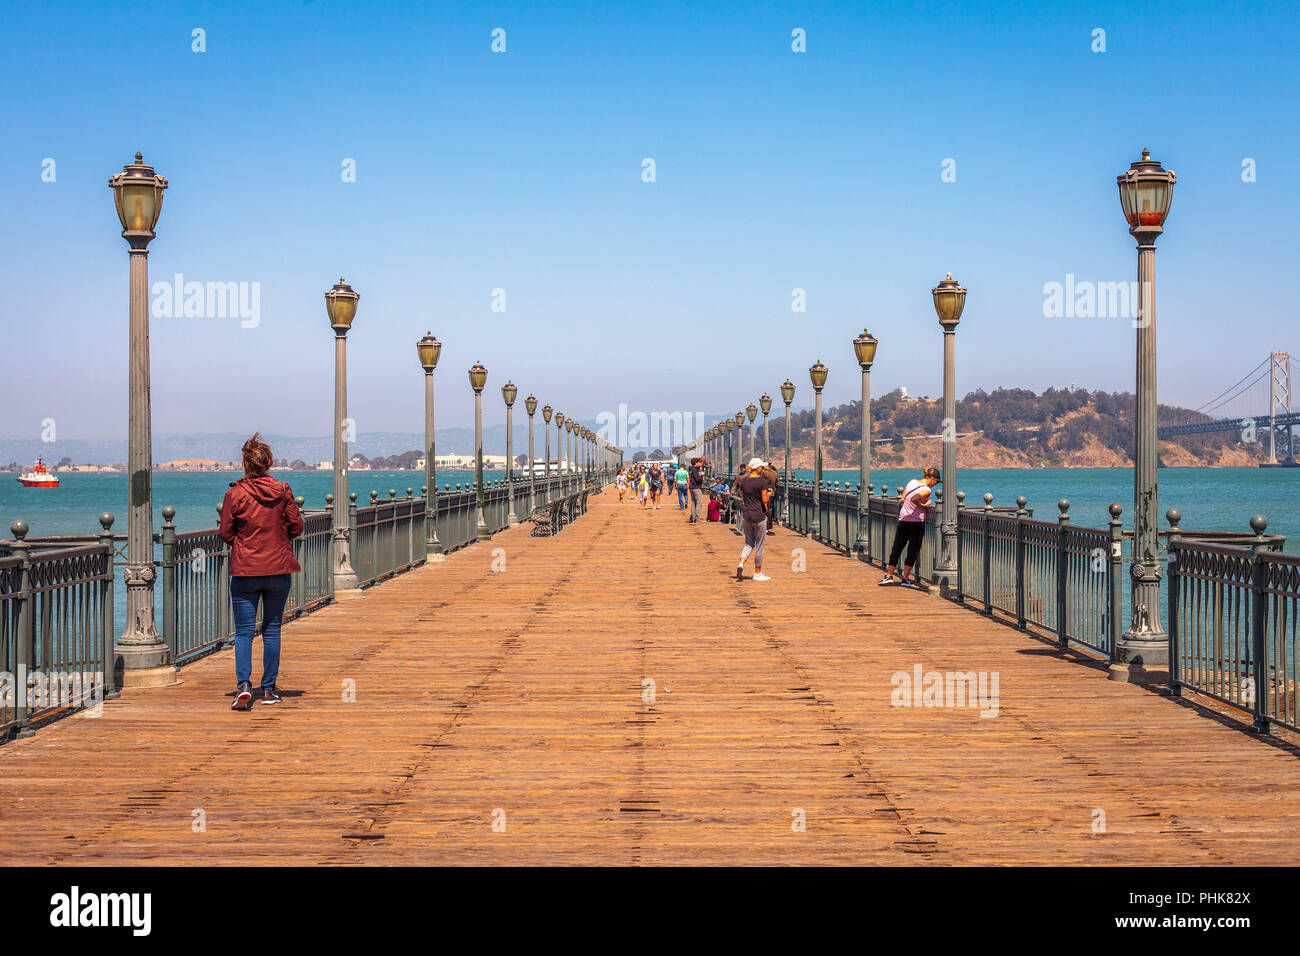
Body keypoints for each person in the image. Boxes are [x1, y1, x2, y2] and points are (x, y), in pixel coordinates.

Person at [218, 433, 304, 709]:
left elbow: (226, 532)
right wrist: (278, 541)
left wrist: (245, 545)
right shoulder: (282, 490)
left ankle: (244, 685)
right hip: (278, 569)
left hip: (245, 571)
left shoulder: (235, 493)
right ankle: (268, 689)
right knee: (272, 629)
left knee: (243, 632)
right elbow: (297, 526)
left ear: (245, 463)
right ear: (268, 463)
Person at [880, 466, 940, 590]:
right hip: (917, 522)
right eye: (936, 482)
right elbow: (914, 498)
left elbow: (903, 499)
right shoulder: (927, 490)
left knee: (897, 547)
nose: (935, 485)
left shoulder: (912, 482)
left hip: (903, 519)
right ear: (931, 479)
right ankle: (905, 579)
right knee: (912, 550)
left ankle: (889, 576)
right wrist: (924, 505)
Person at [732, 457, 772, 581]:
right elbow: (764, 500)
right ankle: (757, 573)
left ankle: (741, 563)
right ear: (757, 468)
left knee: (749, 543)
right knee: (759, 545)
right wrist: (769, 498)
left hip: (747, 516)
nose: (763, 469)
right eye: (761, 467)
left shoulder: (743, 481)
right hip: (759, 516)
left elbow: (742, 498)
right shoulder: (762, 482)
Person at [687, 458, 705, 522]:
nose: (700, 464)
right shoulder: (694, 470)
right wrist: (702, 475)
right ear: (696, 463)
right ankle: (697, 517)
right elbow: (697, 479)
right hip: (696, 487)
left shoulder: (692, 469)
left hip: (692, 487)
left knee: (693, 502)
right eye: (699, 462)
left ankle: (693, 517)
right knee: (698, 502)